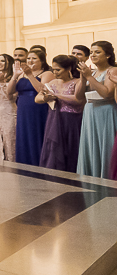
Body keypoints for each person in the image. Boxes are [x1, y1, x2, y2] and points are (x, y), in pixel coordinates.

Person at [76, 41, 117, 178]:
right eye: (91, 52)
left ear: (108, 55)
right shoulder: (91, 71)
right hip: (89, 111)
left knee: (105, 146)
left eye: (97, 52)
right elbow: (79, 97)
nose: (93, 55)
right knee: (90, 145)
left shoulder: (112, 70)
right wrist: (83, 79)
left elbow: (107, 93)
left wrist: (89, 77)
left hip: (105, 111)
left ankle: (106, 177)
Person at [38, 55, 84, 173]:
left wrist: (57, 96)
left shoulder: (77, 82)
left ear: (68, 69)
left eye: (58, 70)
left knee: (71, 147)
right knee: (54, 149)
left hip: (71, 120)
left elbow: (79, 100)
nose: (55, 72)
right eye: (53, 69)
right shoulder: (52, 82)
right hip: (54, 119)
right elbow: (37, 98)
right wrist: (45, 98)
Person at [9, 49, 54, 166]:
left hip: (38, 108)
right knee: (23, 135)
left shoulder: (47, 74)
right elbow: (9, 92)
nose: (30, 61)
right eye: (28, 58)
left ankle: (39, 163)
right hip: (22, 109)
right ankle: (24, 164)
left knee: (36, 134)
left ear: (42, 61)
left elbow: (42, 90)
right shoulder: (21, 74)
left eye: (34, 58)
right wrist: (15, 75)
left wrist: (30, 75)